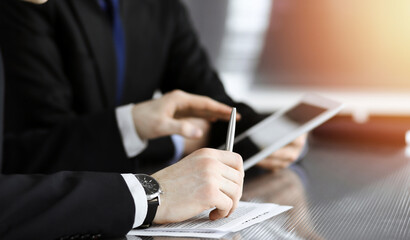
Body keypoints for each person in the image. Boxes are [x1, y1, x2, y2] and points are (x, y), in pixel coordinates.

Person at [0, 9, 244, 240]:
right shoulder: (24, 11)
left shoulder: (161, 7)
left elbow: (215, 101)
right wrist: (153, 194)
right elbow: (36, 155)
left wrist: (266, 138)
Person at [0, 0, 307, 175]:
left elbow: (211, 100)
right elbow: (44, 149)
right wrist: (172, 141)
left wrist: (265, 133)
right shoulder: (31, 4)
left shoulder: (161, 6)